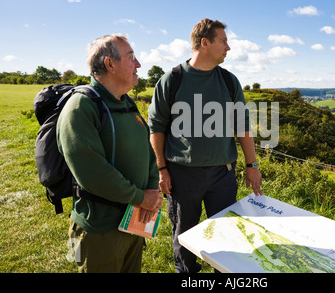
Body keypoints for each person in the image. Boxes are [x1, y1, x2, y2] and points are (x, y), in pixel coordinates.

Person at [148, 18, 263, 273]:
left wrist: (252, 165)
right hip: (182, 175)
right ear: (204, 43)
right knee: (184, 236)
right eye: (223, 41)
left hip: (223, 174)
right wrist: (161, 169)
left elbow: (243, 126)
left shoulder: (229, 81)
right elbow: (156, 129)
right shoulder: (172, 80)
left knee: (225, 234)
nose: (228, 47)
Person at [57, 34, 163, 273]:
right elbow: (93, 173)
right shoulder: (80, 107)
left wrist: (152, 192)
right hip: (98, 230)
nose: (138, 64)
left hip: (133, 223)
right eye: (131, 57)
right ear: (110, 64)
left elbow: (147, 151)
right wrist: (141, 197)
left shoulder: (127, 103)